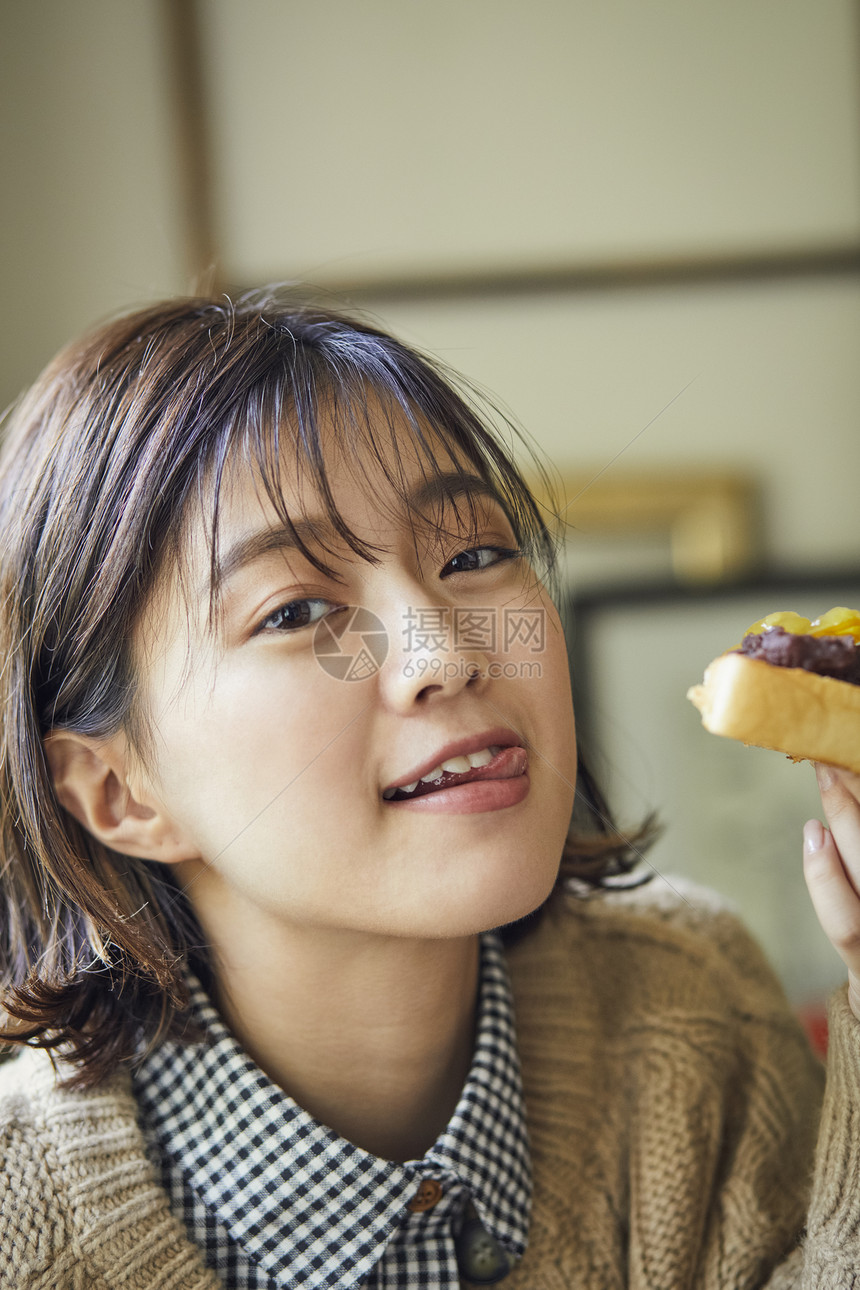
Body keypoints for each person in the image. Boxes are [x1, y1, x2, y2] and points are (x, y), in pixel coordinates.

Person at [0, 292, 858, 1290]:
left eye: (473, 556)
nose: (442, 653)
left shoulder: (692, 1009)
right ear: (118, 793)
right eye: (297, 610)